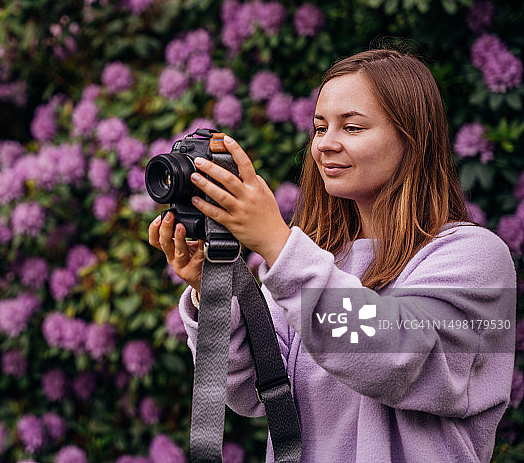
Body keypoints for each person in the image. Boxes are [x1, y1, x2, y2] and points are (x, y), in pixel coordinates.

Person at [148, 49, 516, 462]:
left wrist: (278, 244)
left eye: (352, 127)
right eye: (320, 128)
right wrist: (209, 287)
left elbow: (397, 358)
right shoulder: (319, 259)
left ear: (412, 138)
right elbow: (254, 389)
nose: (325, 144)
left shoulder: (475, 257)